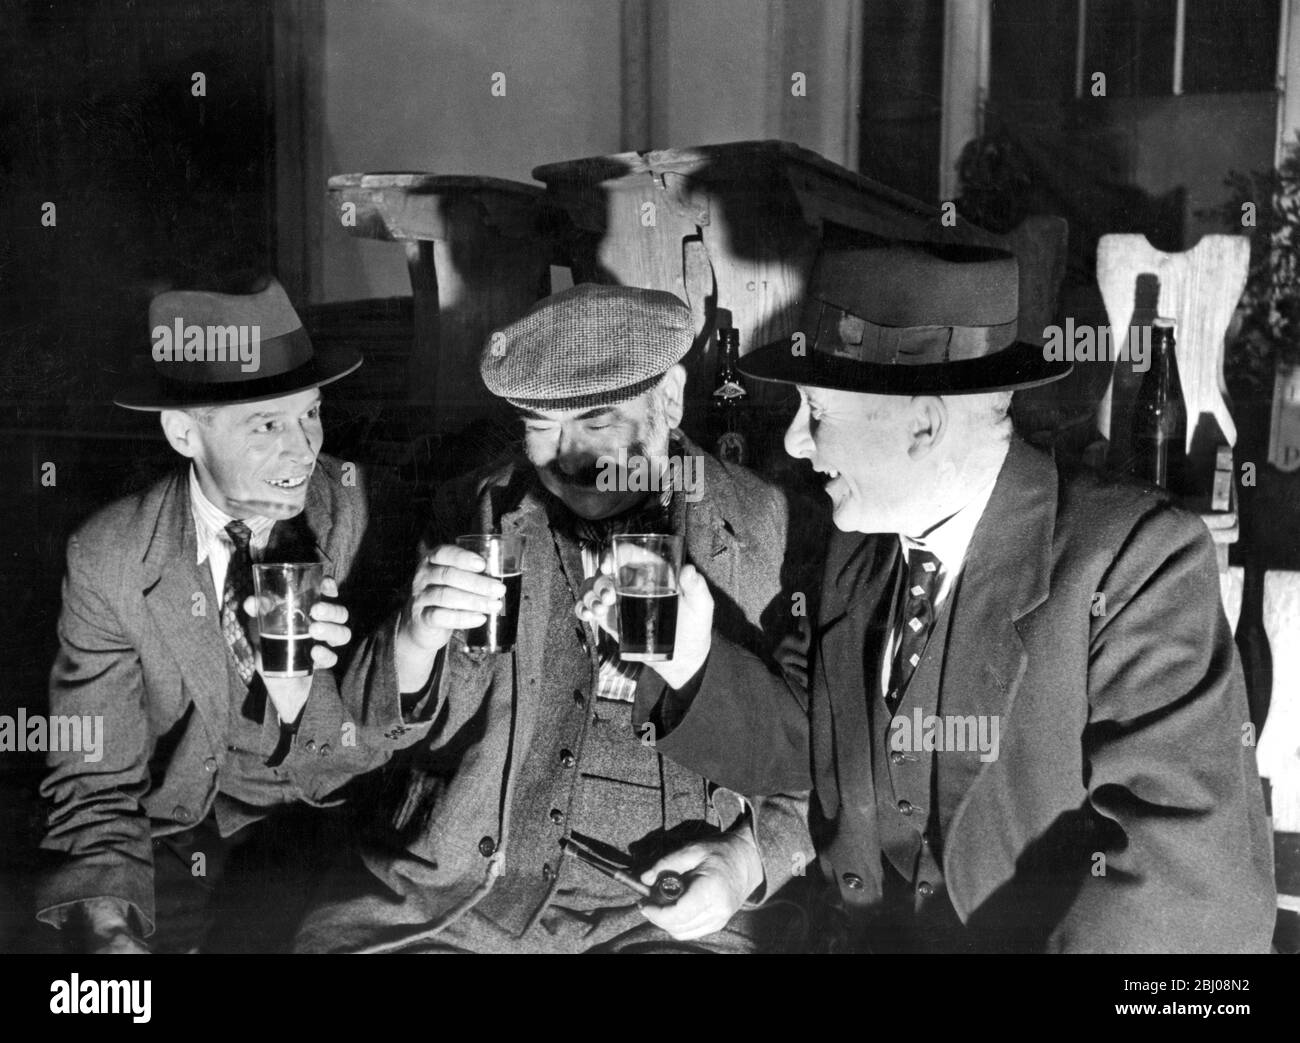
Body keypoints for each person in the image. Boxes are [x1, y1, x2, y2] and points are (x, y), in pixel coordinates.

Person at [635, 238, 1277, 953]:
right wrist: (690, 660)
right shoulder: (857, 550)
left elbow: (1188, 896)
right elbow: (809, 754)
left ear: (923, 423)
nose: (792, 441)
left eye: (816, 411)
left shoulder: (1132, 563)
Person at [296, 283, 820, 953]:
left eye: (598, 421)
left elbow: (828, 752)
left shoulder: (765, 527)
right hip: (460, 907)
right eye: (542, 426)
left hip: (663, 911)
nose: (570, 459)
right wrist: (411, 642)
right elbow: (343, 745)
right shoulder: (474, 510)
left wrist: (745, 860)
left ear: (668, 399)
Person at [37, 278, 394, 953]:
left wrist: (303, 701)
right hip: (177, 842)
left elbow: (387, 751)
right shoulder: (109, 554)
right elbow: (94, 776)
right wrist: (109, 926)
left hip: (334, 838)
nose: (304, 449)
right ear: (182, 431)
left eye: (310, 412)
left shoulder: (366, 515)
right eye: (266, 424)